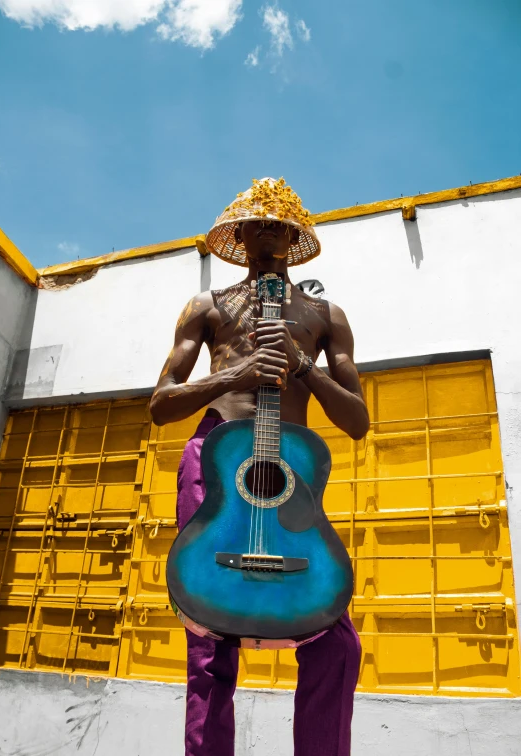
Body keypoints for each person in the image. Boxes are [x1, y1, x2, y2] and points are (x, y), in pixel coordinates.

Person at [150, 177, 370, 756]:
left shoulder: (326, 314)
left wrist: (305, 367)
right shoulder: (208, 306)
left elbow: (357, 420)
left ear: (296, 237)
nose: (267, 234)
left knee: (336, 643)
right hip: (218, 456)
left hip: (288, 468)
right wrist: (233, 375)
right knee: (208, 633)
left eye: (280, 226)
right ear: (239, 236)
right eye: (256, 225)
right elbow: (160, 403)